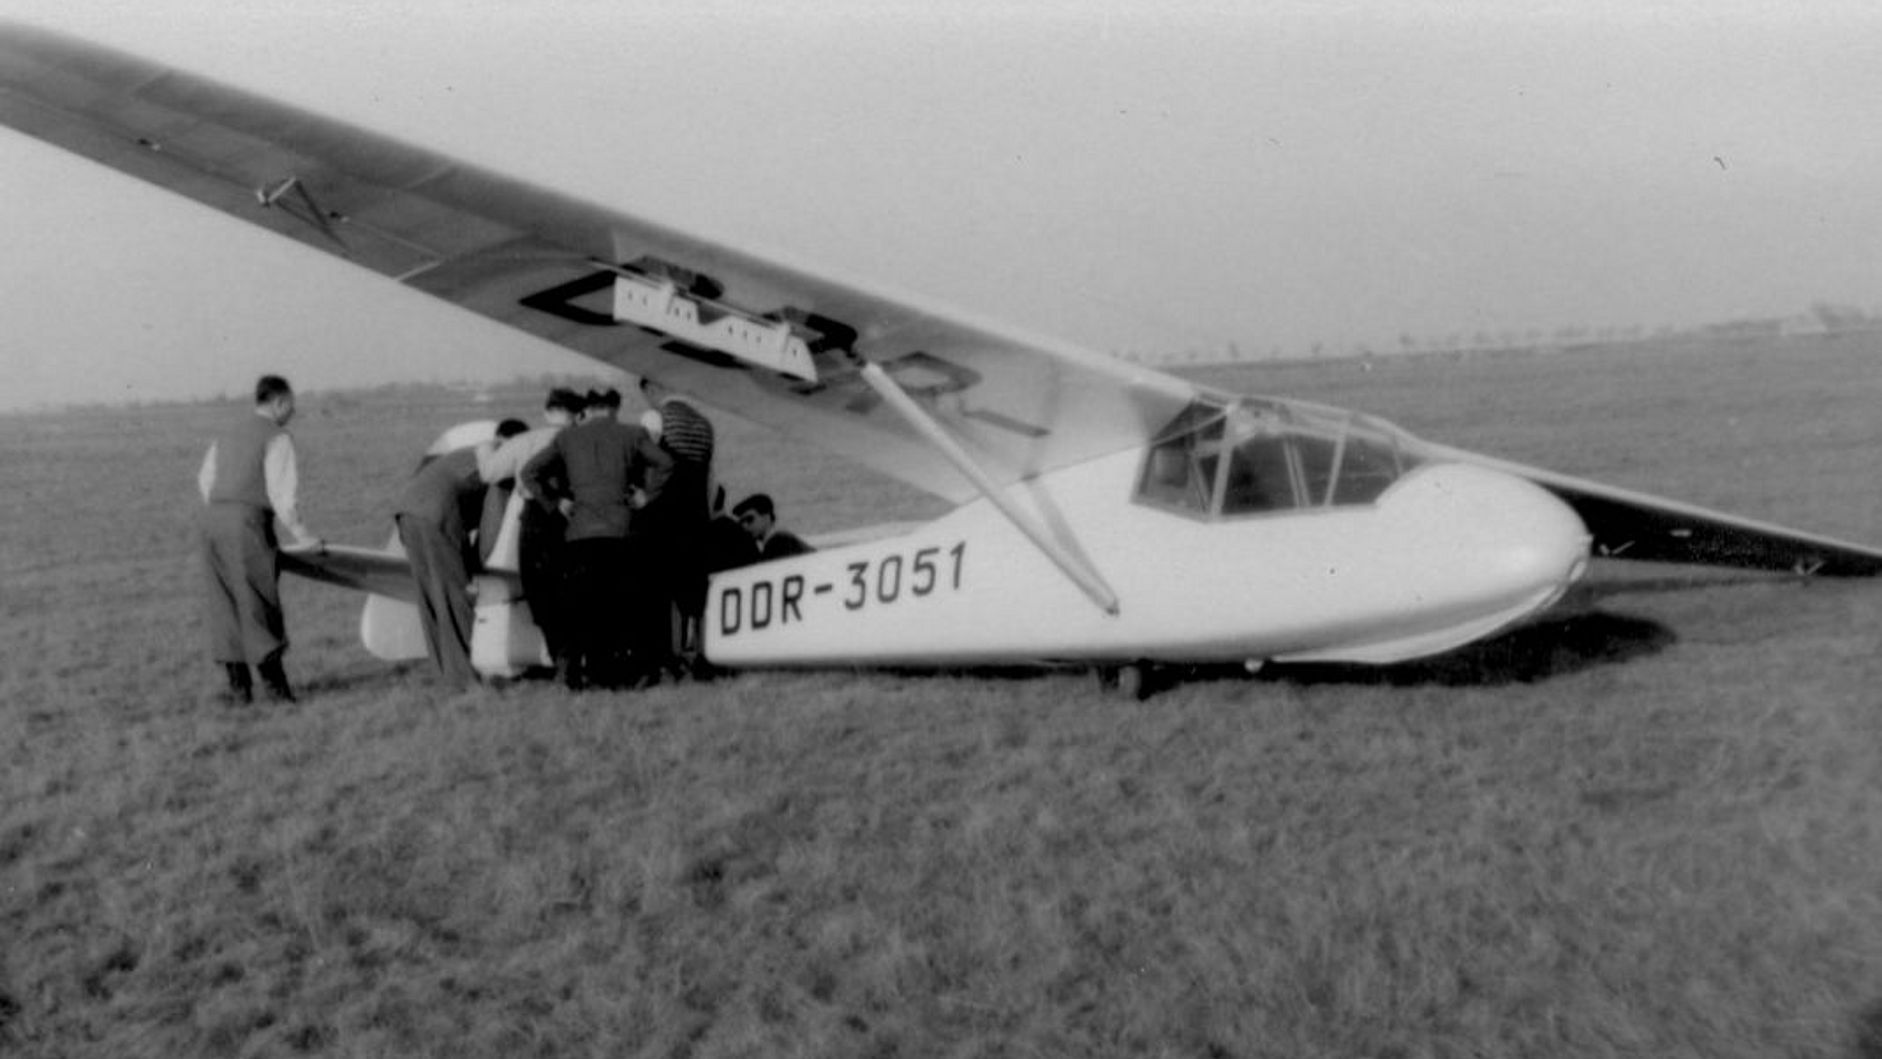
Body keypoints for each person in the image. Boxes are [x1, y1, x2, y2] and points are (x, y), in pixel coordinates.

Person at [522, 388, 673, 689]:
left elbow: (529, 472)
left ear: (588, 410)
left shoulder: (567, 438)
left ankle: (579, 674)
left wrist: (555, 502)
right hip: (621, 531)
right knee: (621, 604)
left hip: (579, 533)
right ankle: (619, 675)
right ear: (615, 408)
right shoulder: (633, 433)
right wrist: (646, 496)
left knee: (583, 607)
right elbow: (666, 463)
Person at [197, 374, 322, 706]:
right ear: (279, 402)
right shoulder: (277, 437)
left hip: (212, 520)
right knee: (258, 601)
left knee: (224, 604)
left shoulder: (226, 433)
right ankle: (277, 692)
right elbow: (283, 495)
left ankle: (240, 692)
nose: (292, 412)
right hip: (245, 523)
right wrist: (303, 535)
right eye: (291, 405)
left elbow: (206, 479)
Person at [394, 418, 529, 690]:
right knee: (456, 597)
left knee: (430, 597)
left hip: (406, 512)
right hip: (437, 515)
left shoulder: (468, 452)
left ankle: (445, 674)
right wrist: (477, 567)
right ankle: (467, 681)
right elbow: (492, 524)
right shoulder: (499, 464)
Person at [478, 388, 584, 671]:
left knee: (539, 591)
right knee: (573, 589)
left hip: (535, 521)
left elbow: (488, 472)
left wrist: (485, 448)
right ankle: (573, 656)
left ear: (547, 413)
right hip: (574, 518)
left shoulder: (526, 441)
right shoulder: (582, 441)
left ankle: (559, 654)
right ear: (578, 416)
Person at [638, 376, 717, 668]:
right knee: (692, 594)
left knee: (659, 587)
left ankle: (665, 657)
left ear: (653, 388)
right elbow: (708, 476)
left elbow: (648, 462)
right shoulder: (705, 425)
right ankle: (694, 651)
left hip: (664, 511)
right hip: (696, 514)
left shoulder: (658, 418)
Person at [733, 493, 814, 560]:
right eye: (741, 522)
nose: (745, 526)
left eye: (749, 519)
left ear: (766, 517)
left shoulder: (779, 542)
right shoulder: (782, 539)